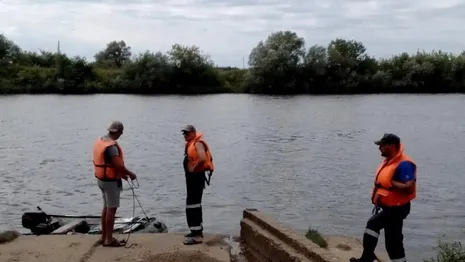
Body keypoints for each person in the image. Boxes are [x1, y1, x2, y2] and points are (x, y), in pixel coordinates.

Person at [350, 133, 417, 262]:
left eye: (381, 145)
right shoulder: (390, 161)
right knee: (393, 241)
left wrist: (391, 183)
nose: (379, 148)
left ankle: (367, 258)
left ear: (391, 146)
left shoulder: (404, 164)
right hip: (389, 206)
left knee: (372, 224)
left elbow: (409, 187)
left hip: (397, 208)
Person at [93, 121, 137, 247]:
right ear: (118, 132)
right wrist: (130, 173)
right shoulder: (111, 146)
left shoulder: (102, 140)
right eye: (120, 133)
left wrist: (122, 175)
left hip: (101, 180)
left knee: (106, 207)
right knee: (111, 209)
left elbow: (109, 164)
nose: (120, 135)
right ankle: (109, 240)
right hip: (110, 182)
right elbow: (118, 165)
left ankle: (103, 237)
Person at [181, 125, 215, 245]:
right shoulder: (191, 144)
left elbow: (201, 157)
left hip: (196, 177)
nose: (185, 135)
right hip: (193, 178)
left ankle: (197, 237)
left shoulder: (197, 143)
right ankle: (196, 231)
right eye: (184, 133)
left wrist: (193, 169)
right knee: (193, 204)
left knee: (193, 205)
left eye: (188, 133)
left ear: (194, 133)